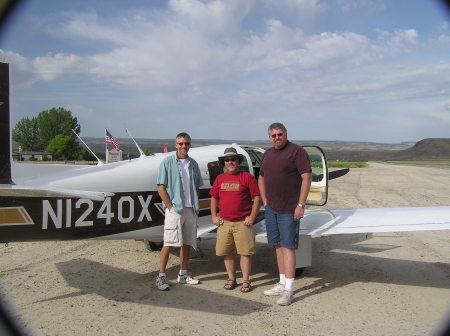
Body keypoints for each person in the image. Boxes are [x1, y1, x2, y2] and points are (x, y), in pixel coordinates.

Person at [258, 122, 312, 306]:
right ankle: (281, 283)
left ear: (286, 134)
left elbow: (306, 177)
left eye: (280, 134)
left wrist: (300, 204)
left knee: (288, 247)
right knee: (277, 246)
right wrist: (265, 201)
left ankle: (289, 290)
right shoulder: (268, 154)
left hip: (289, 209)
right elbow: (262, 177)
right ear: (269, 137)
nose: (277, 138)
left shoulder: (297, 152)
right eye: (273, 135)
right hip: (272, 209)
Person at [155, 132, 204, 291]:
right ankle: (161, 276)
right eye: (181, 144)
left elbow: (196, 186)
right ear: (176, 145)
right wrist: (170, 206)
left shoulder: (193, 164)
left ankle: (183, 274)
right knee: (169, 242)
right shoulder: (167, 162)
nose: (184, 146)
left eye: (187, 144)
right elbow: (161, 187)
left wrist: (195, 204)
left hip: (190, 209)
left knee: (187, 242)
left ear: (190, 145)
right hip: (175, 210)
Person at [210, 147, 260, 293]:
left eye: (233, 159)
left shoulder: (247, 177)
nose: (230, 162)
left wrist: (252, 216)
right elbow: (214, 197)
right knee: (226, 252)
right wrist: (214, 216)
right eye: (227, 160)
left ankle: (246, 280)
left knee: (245, 253)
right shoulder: (220, 179)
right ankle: (231, 278)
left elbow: (257, 197)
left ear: (238, 161)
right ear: (224, 162)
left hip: (242, 222)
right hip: (224, 222)